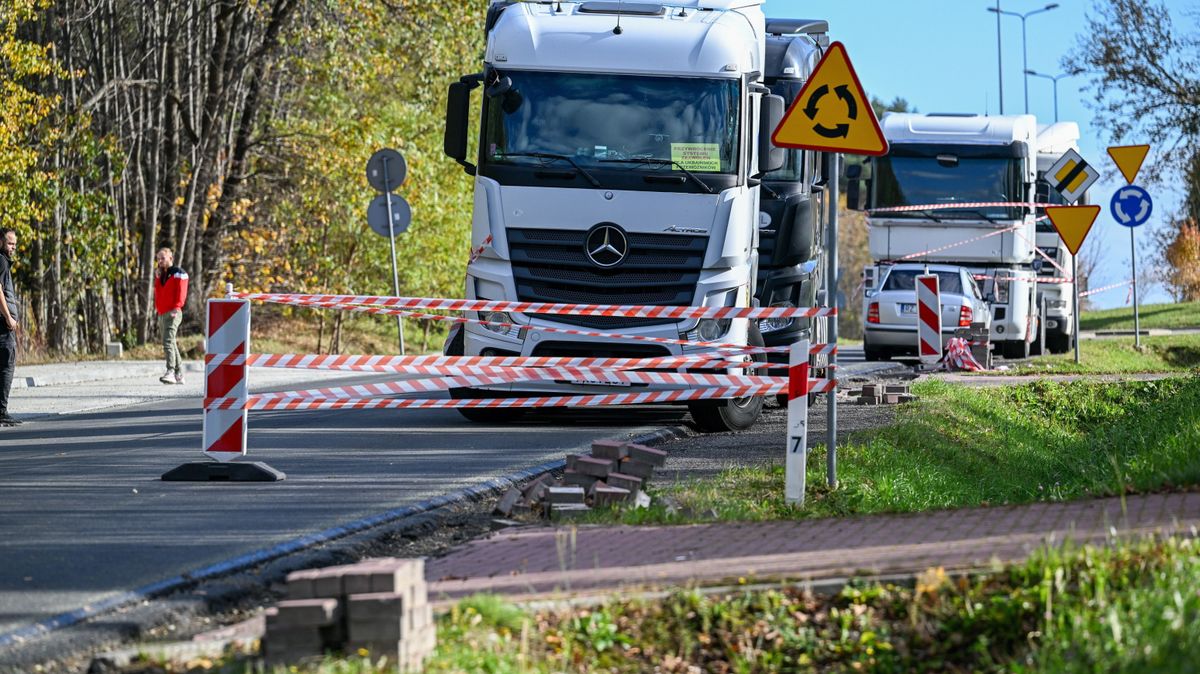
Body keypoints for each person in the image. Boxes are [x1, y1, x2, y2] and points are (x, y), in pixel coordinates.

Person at [154, 247, 189, 384]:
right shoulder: (162, 275)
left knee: (168, 341)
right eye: (158, 259)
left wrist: (177, 307)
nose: (160, 261)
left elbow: (182, 292)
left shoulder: (179, 273)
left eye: (163, 258)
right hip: (163, 313)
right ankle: (179, 373)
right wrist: (157, 277)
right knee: (171, 341)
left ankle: (170, 372)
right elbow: (159, 293)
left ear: (170, 258)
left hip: (174, 311)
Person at [0, 228, 21, 426]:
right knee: (6, 365)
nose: (12, 247)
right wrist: (8, 317)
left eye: (14, 244)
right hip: (2, 324)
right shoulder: (1, 260)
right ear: (1, 242)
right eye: (9, 243)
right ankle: (2, 411)